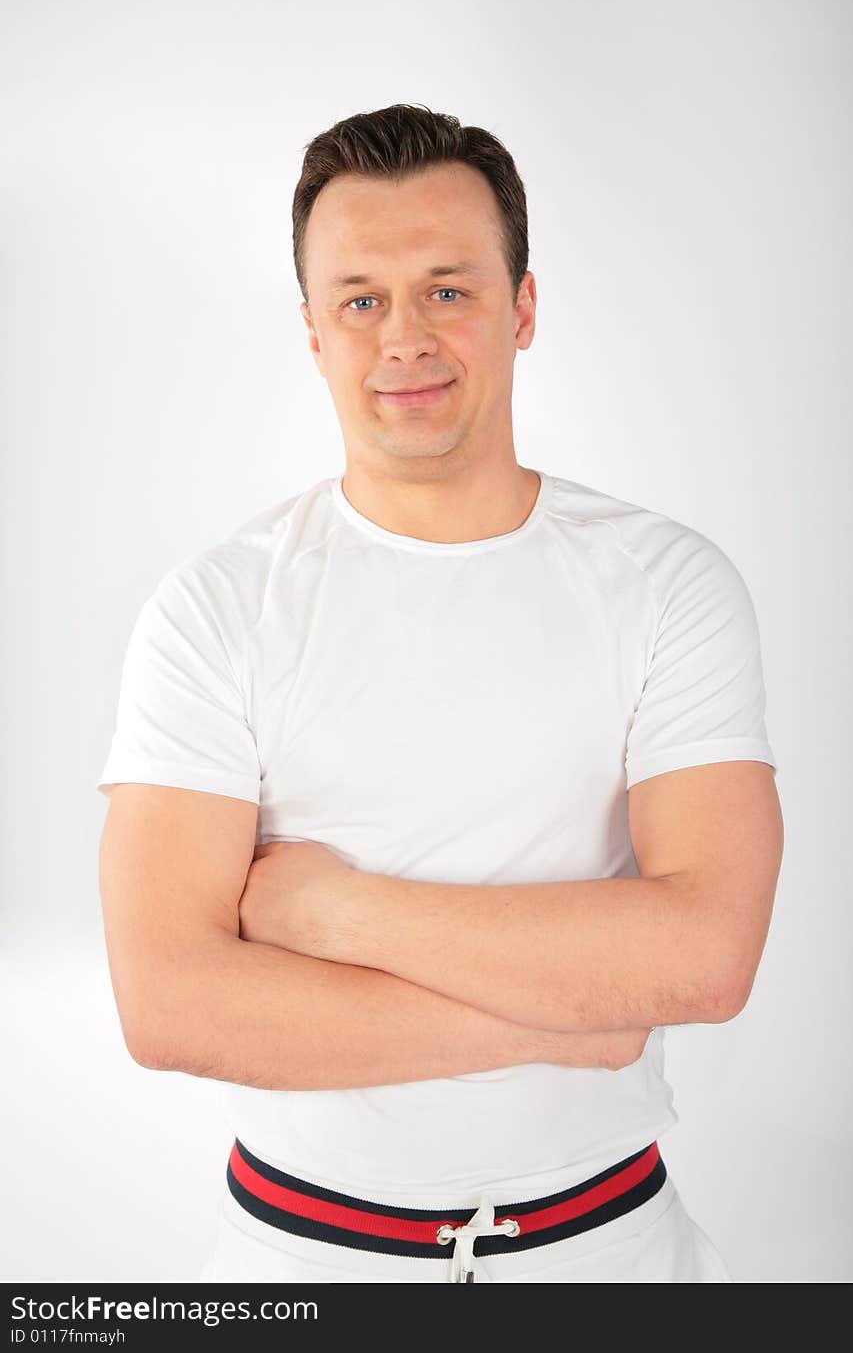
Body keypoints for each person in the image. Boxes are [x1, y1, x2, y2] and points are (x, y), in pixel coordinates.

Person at [96, 102, 784, 1284]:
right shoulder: (215, 610)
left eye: (448, 289)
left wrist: (329, 914)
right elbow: (171, 1004)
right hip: (299, 1270)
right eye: (360, 298)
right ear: (314, 331)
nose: (402, 335)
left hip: (610, 1255)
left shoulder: (668, 584)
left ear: (522, 307)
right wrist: (571, 1014)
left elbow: (706, 953)